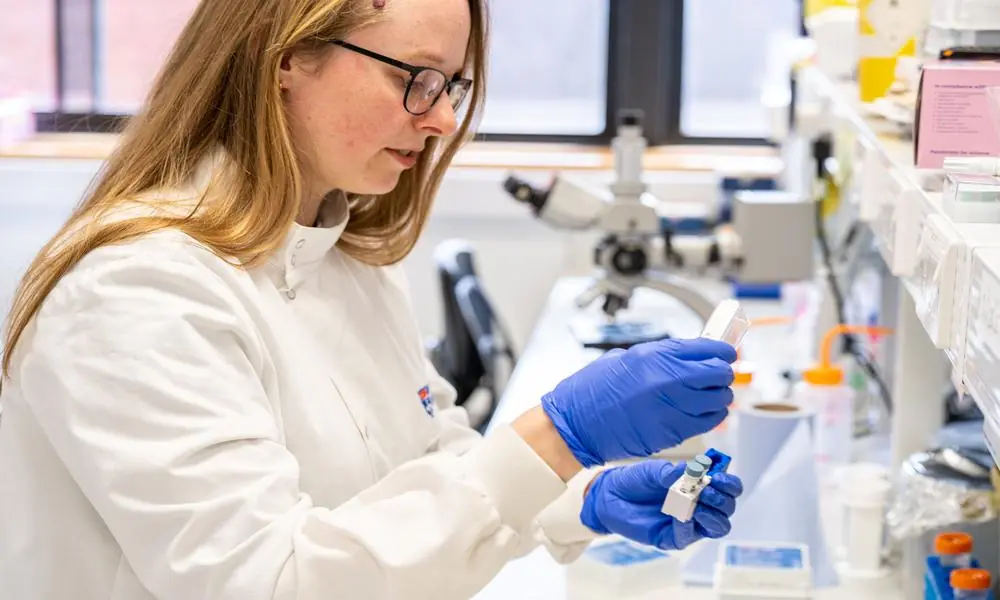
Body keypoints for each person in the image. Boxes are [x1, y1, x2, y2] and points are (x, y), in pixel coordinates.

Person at [0, 0, 743, 599]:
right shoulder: (136, 293)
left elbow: (428, 456)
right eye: (415, 78)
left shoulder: (341, 249)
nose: (443, 118)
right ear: (288, 56)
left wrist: (576, 496)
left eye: (451, 85)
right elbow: (270, 582)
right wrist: (555, 435)